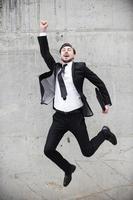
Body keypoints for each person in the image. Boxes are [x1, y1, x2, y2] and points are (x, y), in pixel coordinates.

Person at [37, 20, 117, 187]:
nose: (66, 51)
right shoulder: (56, 67)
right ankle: (68, 168)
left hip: (76, 118)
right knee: (48, 150)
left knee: (87, 152)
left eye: (69, 49)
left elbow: (99, 83)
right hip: (59, 118)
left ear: (74, 54)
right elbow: (45, 53)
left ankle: (104, 133)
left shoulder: (80, 67)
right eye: (63, 50)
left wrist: (106, 102)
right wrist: (43, 31)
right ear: (60, 55)